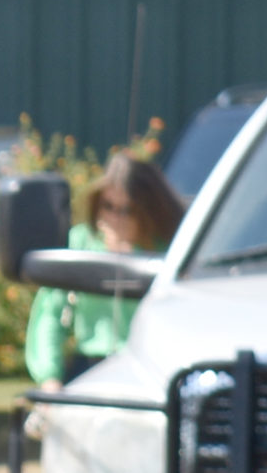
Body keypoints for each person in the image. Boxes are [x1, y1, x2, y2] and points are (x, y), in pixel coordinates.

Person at [24, 150, 183, 384]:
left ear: (149, 211)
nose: (116, 218)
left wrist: (130, 254)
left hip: (149, 369)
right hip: (89, 365)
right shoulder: (81, 242)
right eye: (108, 206)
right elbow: (50, 312)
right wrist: (49, 378)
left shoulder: (169, 251)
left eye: (127, 210)